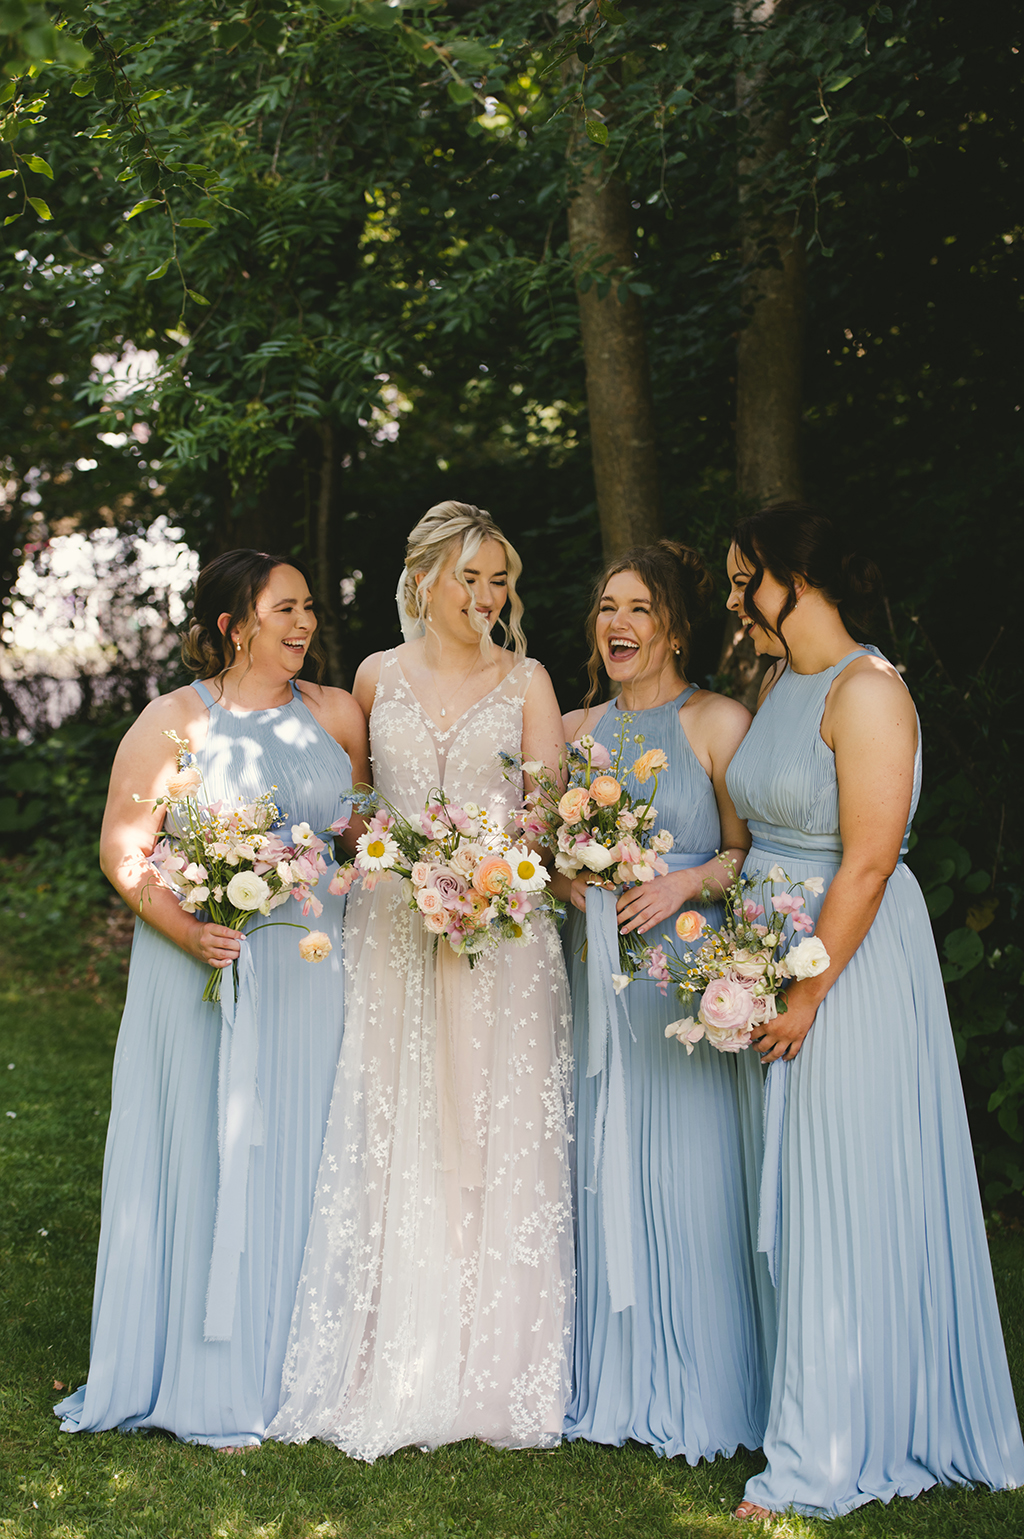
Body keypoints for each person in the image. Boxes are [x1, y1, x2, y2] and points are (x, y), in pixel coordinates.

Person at [723, 503, 1024, 1520]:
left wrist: (806, 992)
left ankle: (827, 1448)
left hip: (843, 965)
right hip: (774, 953)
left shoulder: (870, 691)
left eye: (740, 579)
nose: (731, 600)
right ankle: (800, 1409)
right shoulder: (776, 681)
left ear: (791, 578)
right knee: (792, 1194)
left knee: (836, 1191)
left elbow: (866, 859)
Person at [267, 502, 574, 1461]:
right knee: (394, 1124)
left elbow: (549, 818)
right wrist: (395, 862)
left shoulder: (528, 680)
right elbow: (359, 808)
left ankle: (490, 1361)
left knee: (492, 1127)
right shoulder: (373, 677)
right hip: (395, 931)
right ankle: (392, 1350)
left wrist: (487, 877)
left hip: (504, 938)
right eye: (472, 577)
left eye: (500, 581)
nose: (489, 597)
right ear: (425, 581)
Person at [55, 550, 369, 1449]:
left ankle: (293, 1368)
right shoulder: (174, 720)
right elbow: (123, 849)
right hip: (198, 963)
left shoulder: (338, 714)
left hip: (308, 964)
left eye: (308, 607)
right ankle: (193, 1363)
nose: (303, 624)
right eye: (283, 610)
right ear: (235, 625)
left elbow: (353, 832)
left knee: (302, 1151)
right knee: (200, 1147)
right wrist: (190, 929)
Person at [557, 540, 775, 1461]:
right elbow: (548, 856)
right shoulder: (573, 732)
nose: (619, 623)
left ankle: (703, 1383)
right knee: (599, 1163)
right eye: (609, 606)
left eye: (639, 607)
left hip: (682, 986)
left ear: (675, 625)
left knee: (690, 1179)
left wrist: (684, 886)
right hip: (596, 978)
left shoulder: (718, 722)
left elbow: (748, 853)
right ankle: (610, 1374)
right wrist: (577, 884)